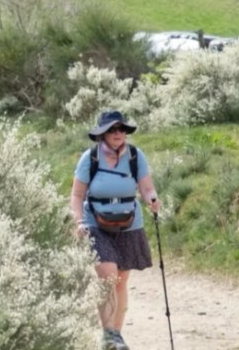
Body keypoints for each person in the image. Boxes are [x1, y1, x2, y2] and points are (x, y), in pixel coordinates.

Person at [69, 110, 160, 350]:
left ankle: (115, 337)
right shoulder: (90, 158)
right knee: (107, 275)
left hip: (129, 223)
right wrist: (78, 222)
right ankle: (108, 334)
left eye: (121, 129)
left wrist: (152, 199)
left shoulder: (134, 156)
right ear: (103, 134)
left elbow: (147, 187)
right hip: (95, 222)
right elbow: (77, 195)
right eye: (112, 129)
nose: (118, 133)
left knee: (120, 280)